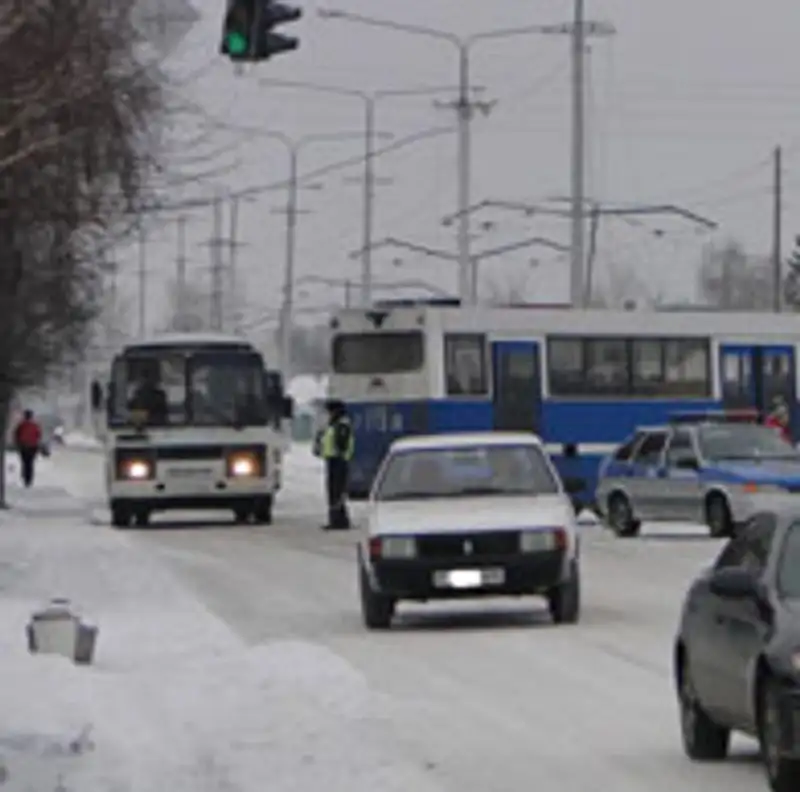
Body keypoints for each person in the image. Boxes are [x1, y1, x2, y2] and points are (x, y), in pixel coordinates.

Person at [315, 399, 354, 530]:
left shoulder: (341, 425)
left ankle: (338, 521)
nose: (328, 414)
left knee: (336, 491)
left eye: (329, 411)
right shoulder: (335, 424)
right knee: (334, 491)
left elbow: (341, 444)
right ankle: (337, 519)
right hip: (333, 460)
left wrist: (337, 452)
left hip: (338, 461)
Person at [13, 410, 42, 488]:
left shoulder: (21, 425)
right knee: (30, 463)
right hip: (32, 446)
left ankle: (25, 477)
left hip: (23, 446)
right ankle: (29, 479)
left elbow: (16, 435)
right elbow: (38, 435)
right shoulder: (35, 425)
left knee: (24, 462)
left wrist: (17, 444)